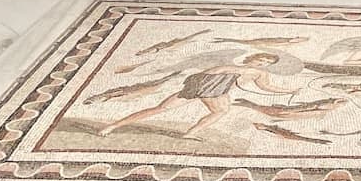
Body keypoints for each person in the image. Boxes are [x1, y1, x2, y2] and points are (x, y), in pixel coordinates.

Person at [98, 53, 296, 139]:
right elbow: (206, 77)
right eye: (260, 60)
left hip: (211, 90)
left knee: (221, 110)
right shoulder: (236, 67)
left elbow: (268, 87)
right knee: (161, 108)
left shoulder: (258, 73)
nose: (261, 64)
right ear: (253, 58)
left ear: (268, 66)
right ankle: (113, 126)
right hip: (203, 88)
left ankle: (191, 133)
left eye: (265, 63)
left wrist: (289, 91)